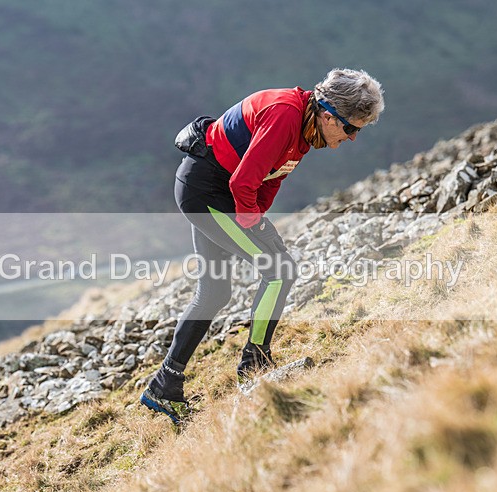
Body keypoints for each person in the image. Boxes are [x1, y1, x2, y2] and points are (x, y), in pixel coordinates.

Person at [141, 68, 384, 424]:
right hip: (208, 193)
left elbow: (270, 180)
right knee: (280, 271)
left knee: (214, 293)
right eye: (352, 128)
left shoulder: (306, 125)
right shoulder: (286, 114)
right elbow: (244, 181)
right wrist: (254, 224)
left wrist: (259, 221)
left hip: (217, 193)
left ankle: (164, 386)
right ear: (329, 114)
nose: (353, 138)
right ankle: (254, 365)